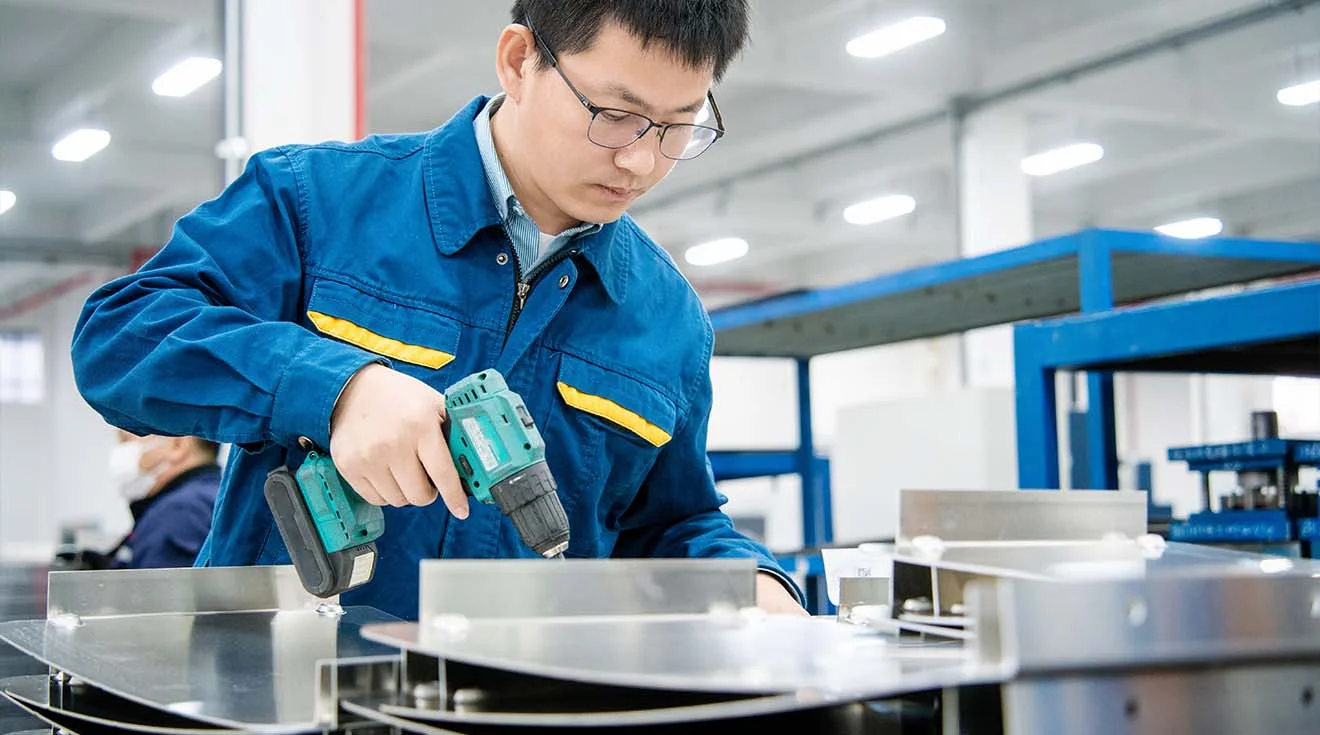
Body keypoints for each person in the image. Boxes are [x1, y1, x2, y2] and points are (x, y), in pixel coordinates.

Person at [70, 0, 807, 619]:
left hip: (512, 705)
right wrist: (333, 389)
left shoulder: (669, 319)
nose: (642, 161)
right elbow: (118, 337)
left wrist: (752, 583)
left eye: (680, 125)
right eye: (616, 115)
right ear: (520, 60)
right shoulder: (317, 203)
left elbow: (672, 522)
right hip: (274, 698)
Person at [73, 431, 222, 570]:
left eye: (126, 439)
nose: (120, 451)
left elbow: (161, 595)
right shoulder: (210, 498)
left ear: (177, 445)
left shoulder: (179, 512)